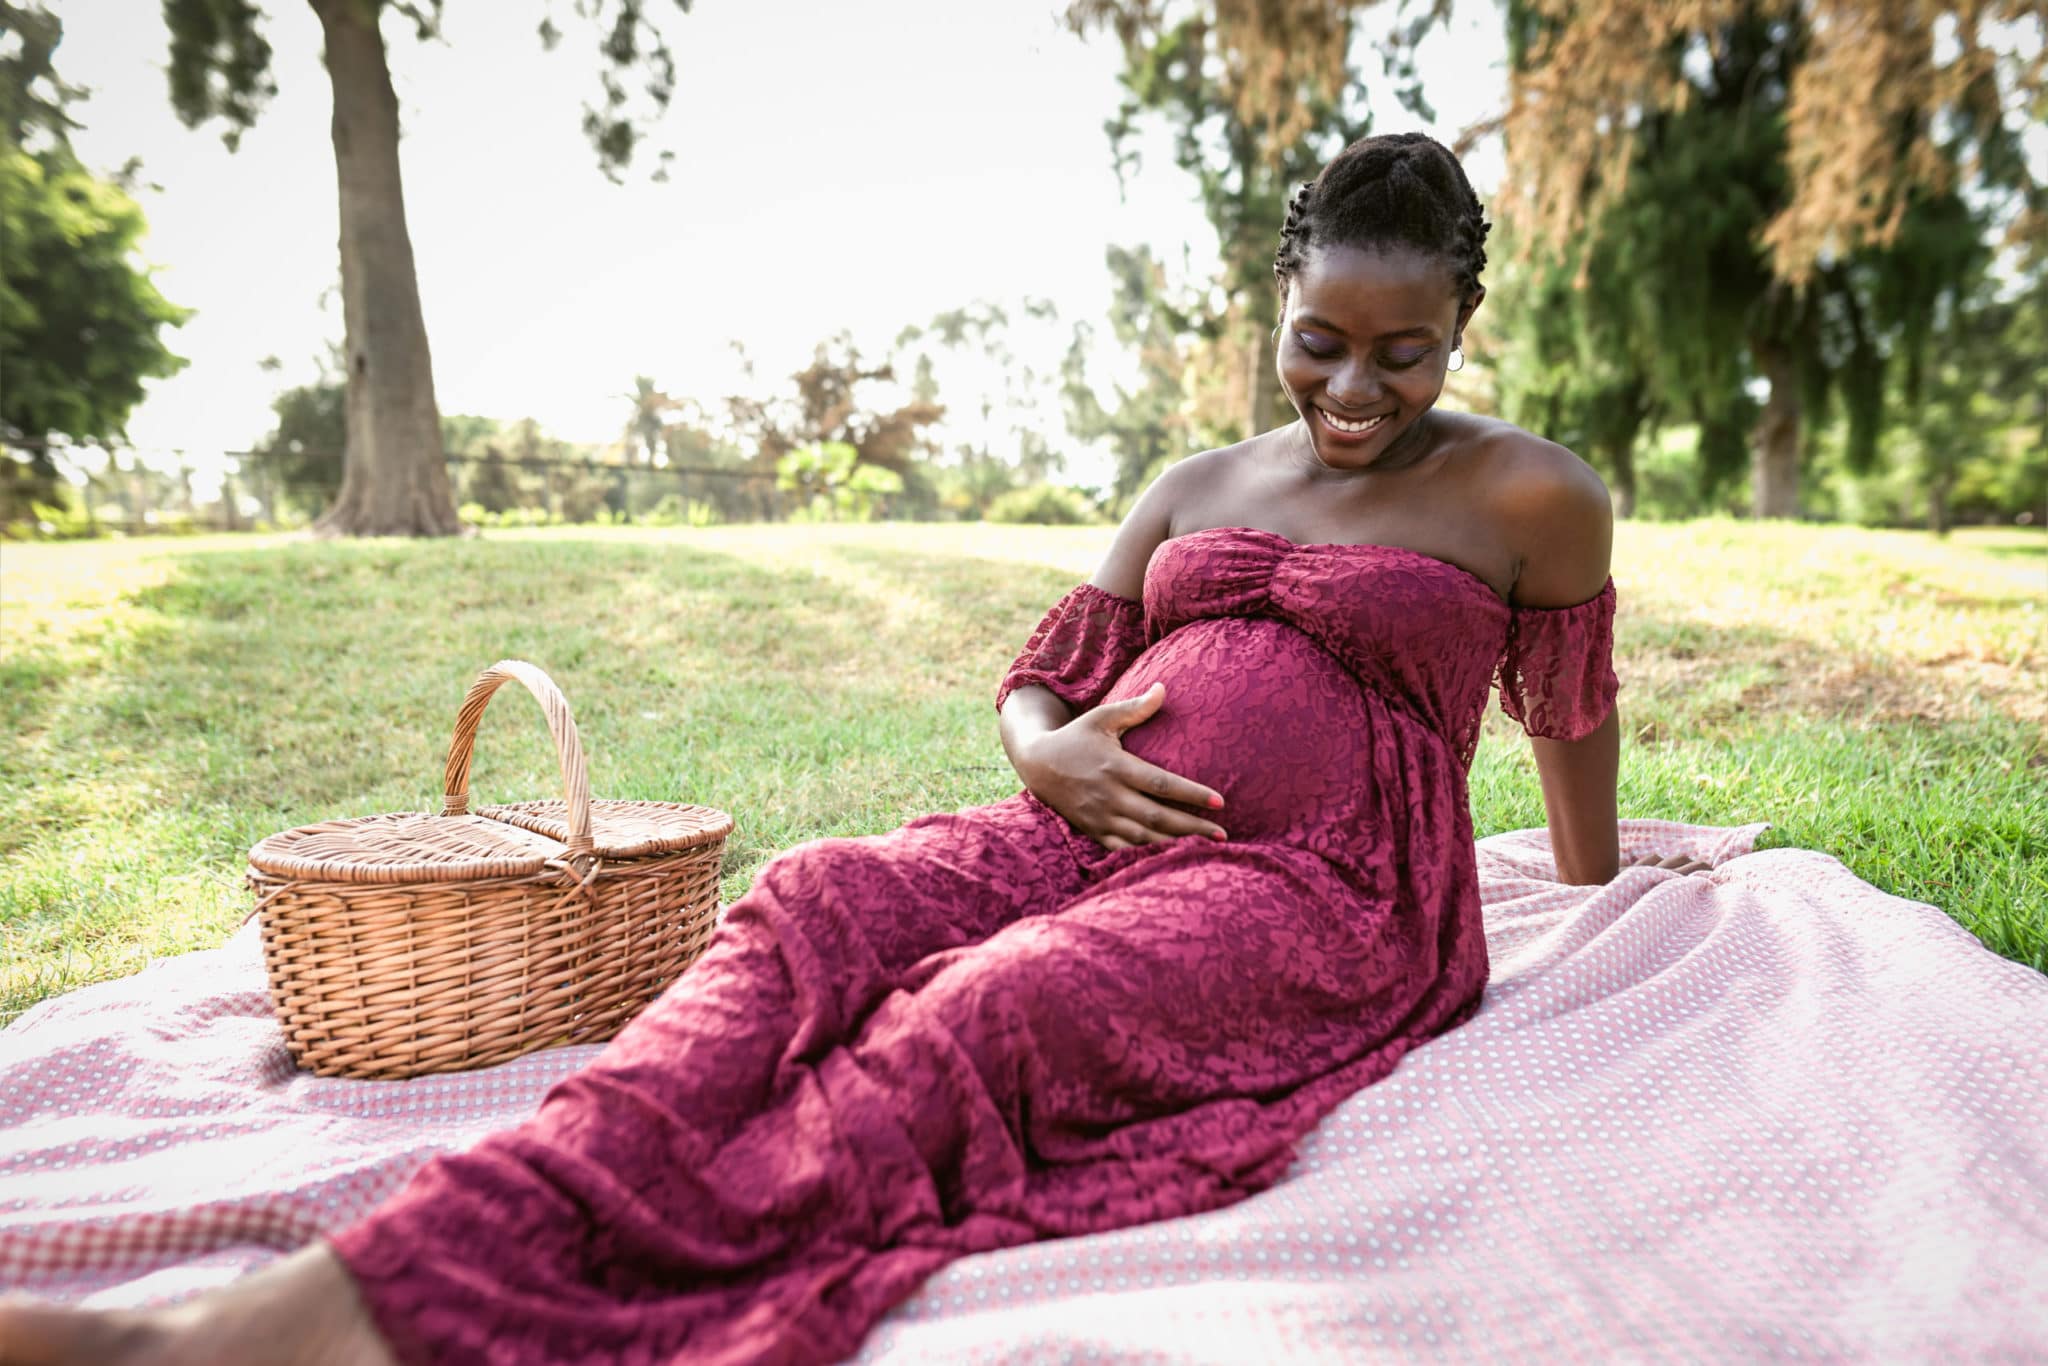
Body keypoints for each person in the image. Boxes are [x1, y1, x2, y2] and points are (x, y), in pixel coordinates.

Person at [0, 131, 1675, 1366]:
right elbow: (1045, 679)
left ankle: (364, 1328)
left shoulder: (1533, 495)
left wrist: (1595, 889)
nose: (1357, 385)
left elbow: (1570, 713)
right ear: (1282, 307)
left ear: (1462, 324)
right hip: (1083, 828)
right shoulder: (1196, 483)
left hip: (1325, 887)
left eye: (1406, 350)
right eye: (1324, 340)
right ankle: (361, 1277)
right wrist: (1046, 759)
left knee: (991, 1008)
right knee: (816, 906)